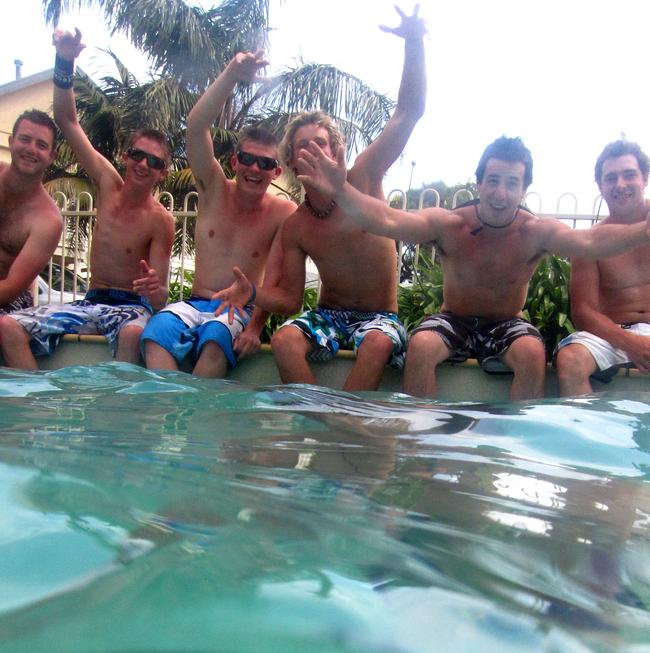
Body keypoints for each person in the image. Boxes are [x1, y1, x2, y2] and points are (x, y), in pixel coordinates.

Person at [295, 134, 650, 401]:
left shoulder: (533, 232)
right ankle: (423, 443)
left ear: (524, 189)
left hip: (507, 322)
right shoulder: (450, 225)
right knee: (421, 346)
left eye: (512, 183)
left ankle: (511, 447)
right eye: (493, 180)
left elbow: (589, 243)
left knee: (532, 352)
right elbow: (387, 219)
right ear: (479, 182)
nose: (500, 192)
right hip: (454, 319)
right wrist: (341, 191)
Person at [215, 6, 427, 391]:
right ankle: (324, 420)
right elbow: (290, 299)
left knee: (377, 343)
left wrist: (414, 44)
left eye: (321, 144)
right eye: (302, 147)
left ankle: (338, 424)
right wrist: (254, 294)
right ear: (291, 162)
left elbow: (408, 113)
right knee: (283, 340)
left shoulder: (364, 175)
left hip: (381, 317)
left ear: (336, 150)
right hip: (329, 315)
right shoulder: (297, 225)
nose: (312, 151)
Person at [0, 28, 175, 369]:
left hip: (130, 307)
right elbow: (67, 121)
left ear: (162, 174)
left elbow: (160, 296)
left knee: (131, 335)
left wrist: (155, 290)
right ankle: (35, 406)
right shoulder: (107, 182)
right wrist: (64, 61)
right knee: (7, 326)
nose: (143, 164)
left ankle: (114, 415)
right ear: (125, 156)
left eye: (154, 162)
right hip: (90, 300)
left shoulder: (161, 220)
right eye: (137, 155)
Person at [141, 52, 296, 378]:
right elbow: (196, 127)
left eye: (265, 163)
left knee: (215, 339)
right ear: (235, 162)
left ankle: (196, 422)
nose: (255, 168)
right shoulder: (213, 188)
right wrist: (232, 74)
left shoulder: (282, 212)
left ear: (276, 171)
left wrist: (255, 328)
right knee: (155, 333)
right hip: (195, 302)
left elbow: (276, 280)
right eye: (247, 159)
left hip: (237, 309)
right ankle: (168, 410)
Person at [556, 140, 650, 394]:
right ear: (600, 186)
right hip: (614, 334)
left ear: (645, 178)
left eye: (629, 175)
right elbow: (583, 312)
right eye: (611, 178)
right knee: (570, 360)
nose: (620, 184)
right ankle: (582, 433)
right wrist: (630, 342)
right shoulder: (591, 242)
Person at [0, 110, 62, 316]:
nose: (31, 149)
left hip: (9, 299)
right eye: (25, 139)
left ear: (52, 156)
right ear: (11, 141)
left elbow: (11, 288)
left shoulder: (48, 220)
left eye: (41, 145)